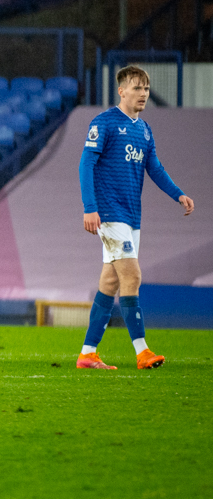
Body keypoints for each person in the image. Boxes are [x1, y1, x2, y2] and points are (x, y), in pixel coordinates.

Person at [76, 65, 193, 370]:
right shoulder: (104, 123)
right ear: (122, 91)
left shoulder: (144, 130)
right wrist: (90, 207)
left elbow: (154, 168)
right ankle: (142, 351)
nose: (143, 94)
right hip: (110, 213)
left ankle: (87, 353)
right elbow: (85, 164)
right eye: (137, 88)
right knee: (133, 276)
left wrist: (178, 194)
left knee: (111, 281)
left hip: (131, 216)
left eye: (146, 88)